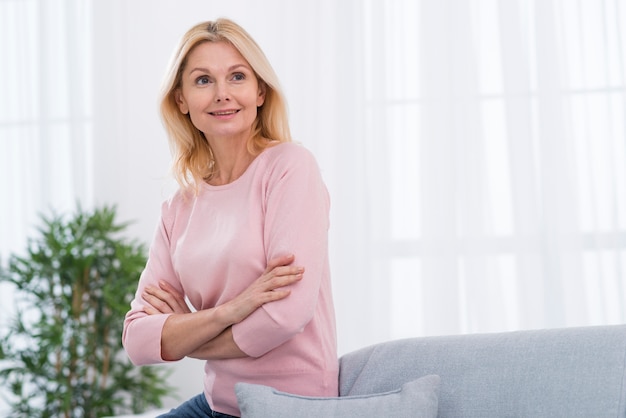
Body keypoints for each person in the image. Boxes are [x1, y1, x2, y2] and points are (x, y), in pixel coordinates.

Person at [122, 18, 338, 417]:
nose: (222, 94)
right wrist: (228, 312)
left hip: (290, 405)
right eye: (203, 80)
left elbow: (284, 315)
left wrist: (188, 332)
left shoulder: (290, 168)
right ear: (181, 100)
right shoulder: (179, 205)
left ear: (259, 91)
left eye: (237, 76)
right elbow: (137, 339)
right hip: (218, 403)